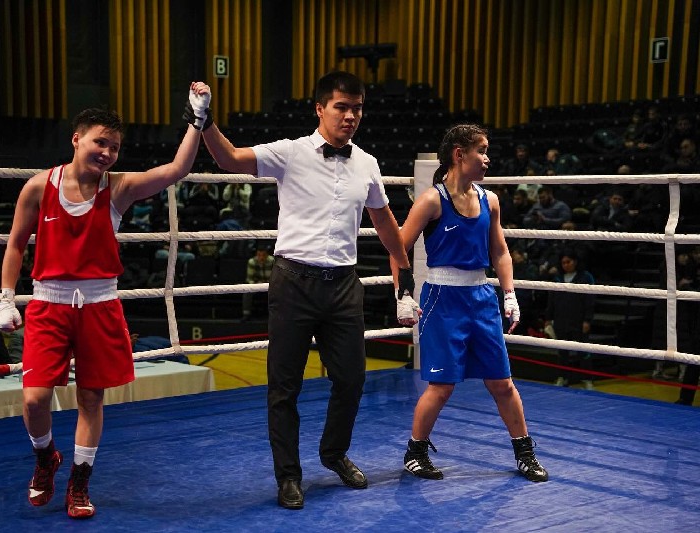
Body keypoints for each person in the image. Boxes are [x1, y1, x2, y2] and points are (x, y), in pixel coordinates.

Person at [199, 71, 418, 510]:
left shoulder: (367, 163)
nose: (350, 116)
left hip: (343, 285)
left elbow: (385, 224)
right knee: (284, 387)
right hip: (293, 283)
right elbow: (229, 158)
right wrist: (204, 121)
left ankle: (333, 453)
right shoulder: (290, 153)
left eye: (357, 108)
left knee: (352, 380)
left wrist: (405, 281)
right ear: (320, 108)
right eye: (342, 107)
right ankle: (288, 476)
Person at [0, 83, 210, 520]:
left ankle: (79, 482)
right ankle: (45, 458)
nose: (108, 153)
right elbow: (16, 243)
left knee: (91, 400)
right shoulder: (38, 187)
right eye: (100, 142)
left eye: (114, 147)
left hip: (99, 305)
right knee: (34, 400)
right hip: (49, 305)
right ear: (77, 139)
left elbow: (176, 169)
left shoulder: (119, 188)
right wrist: (6, 298)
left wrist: (198, 119)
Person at [389, 124, 549, 484]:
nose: (488, 159)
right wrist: (403, 294)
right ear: (459, 154)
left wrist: (509, 293)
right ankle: (415, 451)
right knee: (442, 385)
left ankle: (525, 453)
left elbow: (500, 251)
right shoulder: (432, 200)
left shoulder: (490, 200)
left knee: (502, 382)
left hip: (481, 297)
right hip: (443, 298)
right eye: (482, 151)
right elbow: (398, 248)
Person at [545, 250, 596, 389]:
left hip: (578, 320)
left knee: (583, 351)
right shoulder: (557, 278)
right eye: (563, 263)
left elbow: (590, 300)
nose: (566, 265)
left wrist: (587, 320)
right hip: (560, 320)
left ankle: (587, 379)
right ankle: (563, 377)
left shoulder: (585, 277)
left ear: (575, 261)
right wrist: (548, 318)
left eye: (568, 262)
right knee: (562, 352)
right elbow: (551, 300)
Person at [241, 245, 274, 321]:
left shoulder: (273, 261)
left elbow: (276, 278)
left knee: (280, 291)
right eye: (259, 255)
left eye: (263, 255)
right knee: (247, 291)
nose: (261, 258)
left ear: (267, 255)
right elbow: (250, 279)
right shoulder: (252, 262)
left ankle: (276, 315)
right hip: (256, 286)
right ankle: (246, 314)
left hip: (270, 286)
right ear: (256, 255)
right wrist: (257, 286)